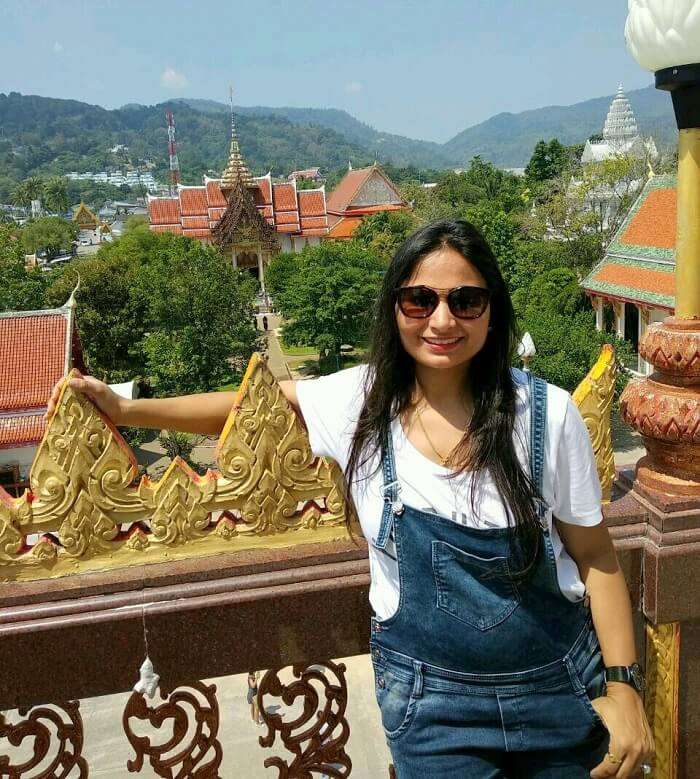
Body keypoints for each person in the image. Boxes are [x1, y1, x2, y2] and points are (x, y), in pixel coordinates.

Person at [46, 219, 653, 778]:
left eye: (465, 301)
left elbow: (595, 558)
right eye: (421, 300)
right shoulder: (362, 404)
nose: (442, 321)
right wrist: (128, 409)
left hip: (556, 685)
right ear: (395, 309)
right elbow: (252, 402)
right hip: (433, 705)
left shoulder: (546, 415)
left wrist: (624, 688)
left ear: (492, 312)